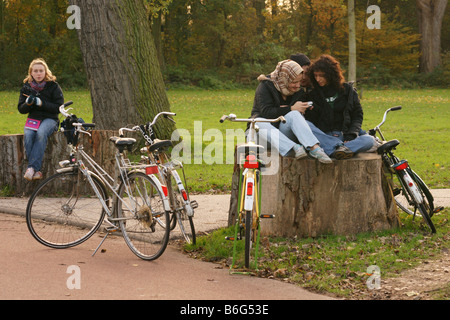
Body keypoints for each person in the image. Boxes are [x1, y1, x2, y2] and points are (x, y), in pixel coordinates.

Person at [250, 59, 332, 164]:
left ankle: (314, 148)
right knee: (258, 122)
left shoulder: (298, 91)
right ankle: (293, 147)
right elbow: (266, 112)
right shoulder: (266, 86)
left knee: (294, 114)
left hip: (282, 135)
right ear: (284, 78)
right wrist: (290, 108)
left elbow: (298, 117)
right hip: (262, 137)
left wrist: (305, 109)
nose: (298, 86)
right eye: (294, 82)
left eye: (299, 82)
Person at [304, 55, 375, 159]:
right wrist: (312, 111)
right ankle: (340, 148)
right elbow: (313, 122)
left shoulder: (348, 91)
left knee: (369, 140)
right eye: (315, 75)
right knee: (304, 124)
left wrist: (351, 134)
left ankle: (333, 150)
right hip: (323, 136)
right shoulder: (312, 95)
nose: (318, 79)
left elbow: (357, 115)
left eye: (321, 75)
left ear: (331, 74)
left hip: (344, 134)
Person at [18, 58, 64, 181]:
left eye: (41, 71)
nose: (38, 73)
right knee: (28, 136)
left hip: (51, 119)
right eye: (36, 71)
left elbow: (59, 107)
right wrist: (27, 104)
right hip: (33, 120)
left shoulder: (53, 86)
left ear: (45, 72)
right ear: (31, 73)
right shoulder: (26, 88)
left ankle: (31, 168)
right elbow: (21, 109)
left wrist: (41, 103)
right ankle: (36, 171)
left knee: (41, 133)